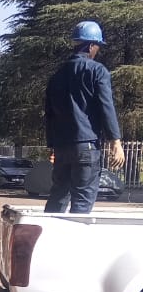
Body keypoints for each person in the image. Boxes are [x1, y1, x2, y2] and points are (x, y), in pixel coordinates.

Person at [44, 20, 124, 213]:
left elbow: (49, 113)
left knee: (58, 197)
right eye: (98, 46)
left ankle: (50, 240)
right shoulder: (97, 71)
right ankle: (73, 242)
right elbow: (106, 106)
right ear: (91, 45)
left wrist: (53, 144)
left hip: (62, 147)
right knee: (82, 201)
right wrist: (115, 141)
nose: (97, 51)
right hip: (86, 145)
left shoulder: (57, 75)